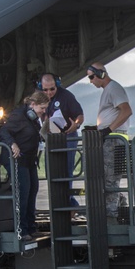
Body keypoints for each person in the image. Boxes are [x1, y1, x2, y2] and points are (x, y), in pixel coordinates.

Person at [0, 91, 50, 241]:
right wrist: (12, 144)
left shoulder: (35, 119)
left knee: (33, 189)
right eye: (42, 107)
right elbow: (4, 131)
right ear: (32, 105)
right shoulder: (18, 116)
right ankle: (22, 229)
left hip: (30, 159)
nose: (43, 111)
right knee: (24, 191)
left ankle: (31, 226)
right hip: (17, 159)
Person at [86, 63, 132, 223]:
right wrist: (99, 127)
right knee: (106, 178)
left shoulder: (113, 88)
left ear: (101, 74)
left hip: (113, 140)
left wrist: (108, 130)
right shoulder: (108, 90)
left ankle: (111, 218)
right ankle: (120, 207)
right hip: (110, 138)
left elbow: (126, 110)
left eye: (92, 76)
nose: (91, 81)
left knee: (110, 179)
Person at [39, 73, 85, 216]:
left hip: (67, 136)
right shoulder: (38, 98)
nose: (49, 93)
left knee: (66, 171)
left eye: (52, 89)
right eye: (45, 90)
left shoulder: (66, 96)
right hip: (51, 139)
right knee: (52, 172)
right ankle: (67, 204)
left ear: (57, 85)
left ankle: (68, 205)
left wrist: (76, 125)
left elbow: (80, 115)